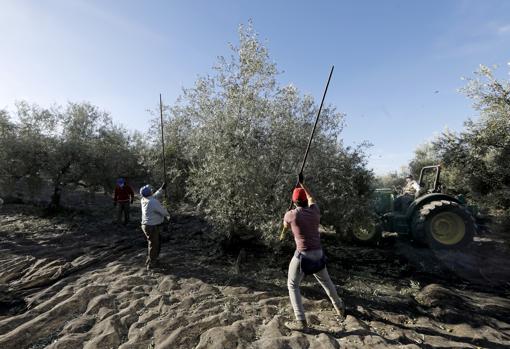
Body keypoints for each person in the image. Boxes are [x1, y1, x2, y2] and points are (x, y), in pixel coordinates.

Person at [280, 176, 345, 332]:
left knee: (292, 285)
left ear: (294, 202)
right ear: (304, 201)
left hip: (303, 256)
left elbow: (285, 226)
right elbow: (311, 197)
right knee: (326, 282)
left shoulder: (290, 215)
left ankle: (301, 321)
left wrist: (285, 219)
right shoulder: (315, 211)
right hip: (318, 253)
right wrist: (303, 184)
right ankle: (340, 307)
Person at [140, 182, 169, 270]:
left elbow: (155, 196)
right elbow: (163, 212)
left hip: (146, 226)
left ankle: (151, 260)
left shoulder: (144, 199)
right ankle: (152, 264)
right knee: (154, 245)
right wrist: (168, 214)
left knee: (154, 243)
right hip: (151, 227)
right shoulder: (153, 202)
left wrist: (162, 189)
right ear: (149, 193)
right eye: (150, 190)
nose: (152, 191)